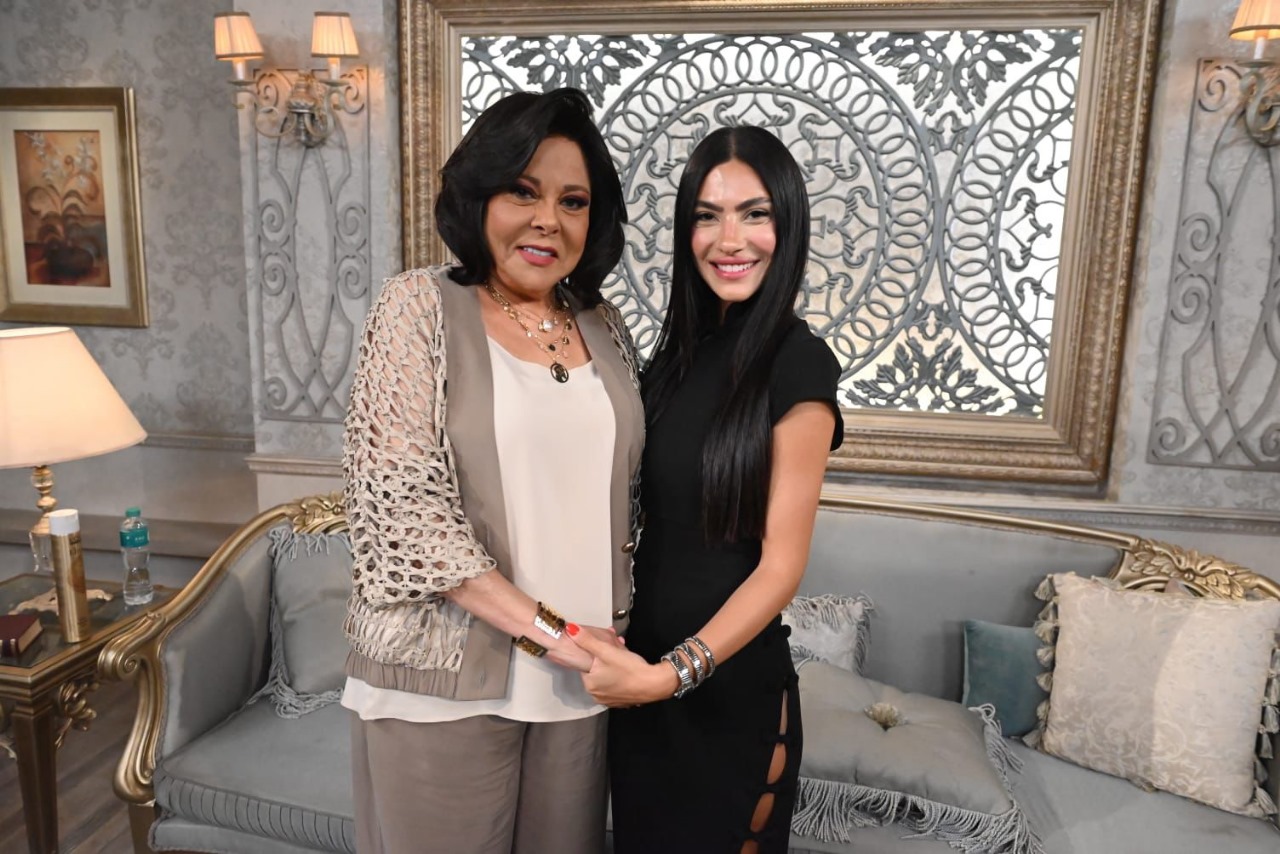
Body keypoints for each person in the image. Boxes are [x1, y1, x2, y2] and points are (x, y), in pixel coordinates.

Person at [341, 87, 643, 854]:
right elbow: (403, 514)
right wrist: (555, 635)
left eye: (573, 201)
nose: (548, 219)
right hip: (442, 681)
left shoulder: (603, 325)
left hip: (581, 685)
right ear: (478, 198)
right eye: (522, 191)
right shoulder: (416, 308)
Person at [566, 125, 844, 853]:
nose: (730, 239)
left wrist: (669, 676)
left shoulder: (801, 364)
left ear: (788, 225)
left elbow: (781, 568)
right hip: (641, 689)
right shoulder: (672, 359)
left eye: (755, 214)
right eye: (707, 216)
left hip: (726, 695)